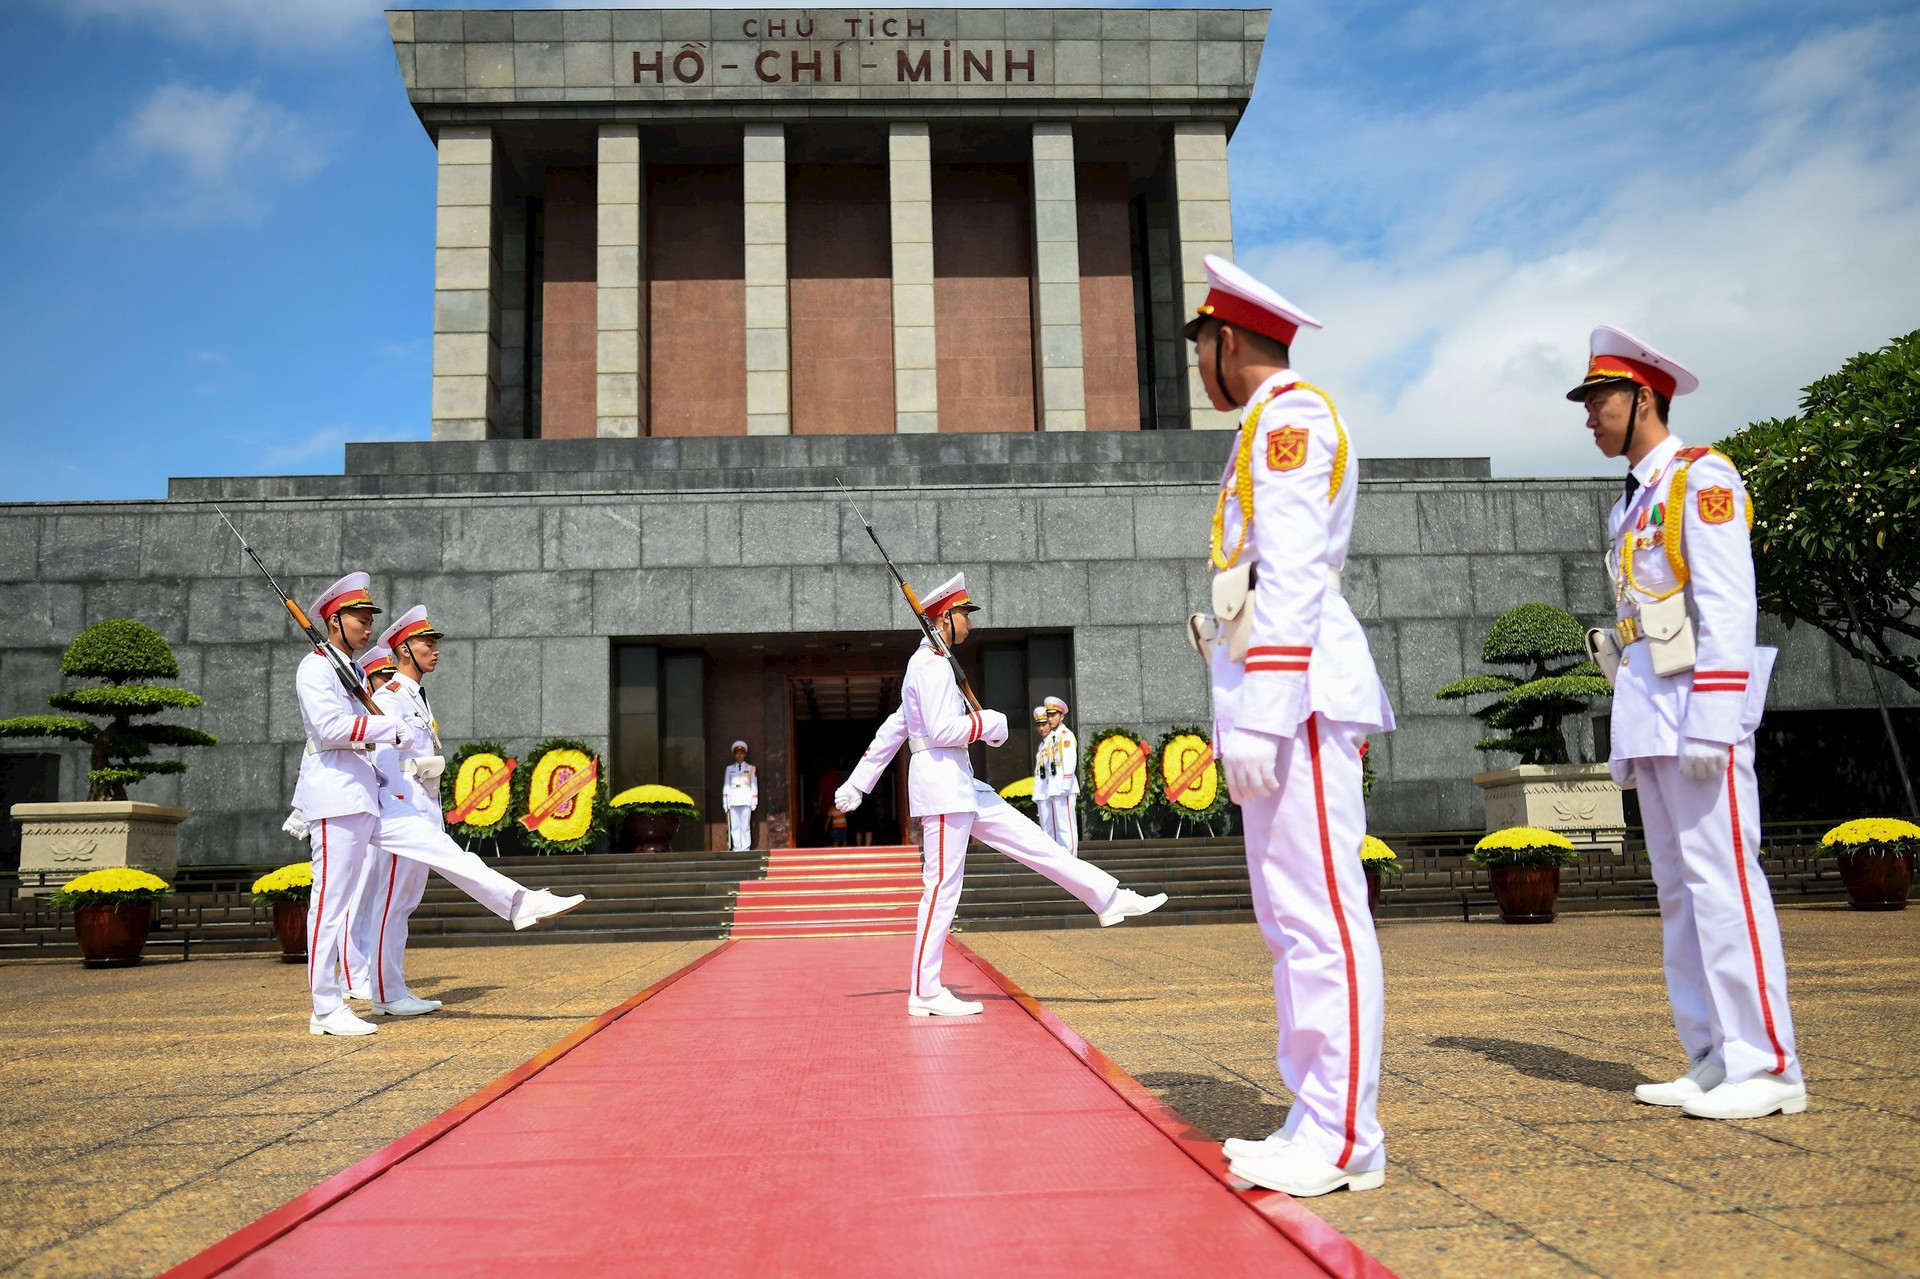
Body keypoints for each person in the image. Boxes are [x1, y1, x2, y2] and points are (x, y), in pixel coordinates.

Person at [1184, 257, 1396, 1196]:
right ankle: (1315, 1111)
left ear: (1227, 341)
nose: (1197, 364)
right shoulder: (1265, 427)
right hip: (1276, 696)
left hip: (1299, 698)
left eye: (1200, 345)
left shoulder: (1292, 418)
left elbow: (1298, 572)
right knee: (1289, 922)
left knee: (1321, 917)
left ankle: (1348, 1133)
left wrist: (1264, 710)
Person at [1572, 325, 1804, 1119]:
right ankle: (1712, 1052)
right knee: (1678, 889)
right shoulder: (1630, 503)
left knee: (1725, 883)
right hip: (1650, 710)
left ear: (1644, 396)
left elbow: (1729, 606)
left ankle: (1769, 1061)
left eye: (1600, 398)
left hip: (1698, 711)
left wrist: (1715, 719)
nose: (1590, 415)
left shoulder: (1701, 478)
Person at [835, 573, 1167, 1018]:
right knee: (941, 889)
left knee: (1035, 842)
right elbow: (938, 731)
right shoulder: (930, 665)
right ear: (944, 617)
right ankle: (925, 990)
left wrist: (858, 782)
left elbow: (896, 727)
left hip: (961, 785)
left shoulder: (937, 661)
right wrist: (991, 723)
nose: (970, 623)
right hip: (941, 790)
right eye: (964, 614)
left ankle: (1106, 898)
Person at [287, 574, 407, 1037]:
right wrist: (384, 728)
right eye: (360, 617)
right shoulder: (315, 668)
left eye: (370, 617)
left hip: (358, 792)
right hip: (334, 795)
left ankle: (336, 1001)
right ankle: (324, 1007)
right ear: (333, 620)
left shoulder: (351, 670)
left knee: (343, 903)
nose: (367, 625)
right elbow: (330, 728)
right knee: (330, 904)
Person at [1041, 697, 1080, 857]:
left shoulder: (1066, 736)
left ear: (1061, 716)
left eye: (1053, 715)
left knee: (1066, 827)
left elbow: (1070, 761)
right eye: (1048, 715)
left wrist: (1065, 784)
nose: (1050, 718)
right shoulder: (1053, 738)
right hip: (1054, 787)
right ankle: (1063, 859)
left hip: (1064, 787)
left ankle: (1071, 858)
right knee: (1058, 826)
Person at [724, 741, 758, 852]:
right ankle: (737, 848)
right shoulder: (729, 769)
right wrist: (726, 802)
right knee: (735, 827)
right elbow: (727, 785)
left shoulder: (751, 768)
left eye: (741, 753)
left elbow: (754, 784)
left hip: (746, 799)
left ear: (745, 754)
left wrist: (754, 800)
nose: (739, 755)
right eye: (737, 753)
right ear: (734, 755)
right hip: (733, 800)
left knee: (745, 826)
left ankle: (746, 848)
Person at [1030, 706, 1055, 840]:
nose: (1041, 728)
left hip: (1050, 789)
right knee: (1046, 828)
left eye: (1044, 724)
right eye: (1038, 725)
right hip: (1042, 789)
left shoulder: (1055, 741)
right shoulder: (1042, 744)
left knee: (1052, 828)